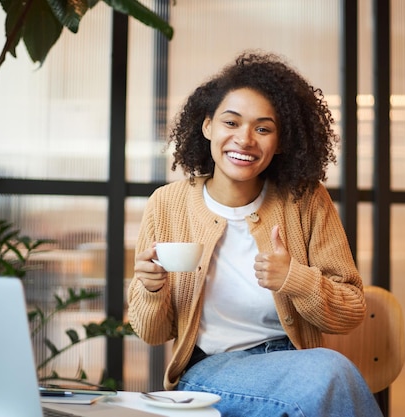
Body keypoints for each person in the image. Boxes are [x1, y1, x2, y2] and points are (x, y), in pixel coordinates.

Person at [128, 51, 382, 417]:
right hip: (210, 371)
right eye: (231, 123)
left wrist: (295, 278)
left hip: (297, 363)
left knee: (321, 379)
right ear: (207, 127)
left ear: (280, 142)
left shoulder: (306, 200)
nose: (245, 140)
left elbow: (350, 311)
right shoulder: (167, 204)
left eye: (263, 129)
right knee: (328, 374)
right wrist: (152, 289)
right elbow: (152, 335)